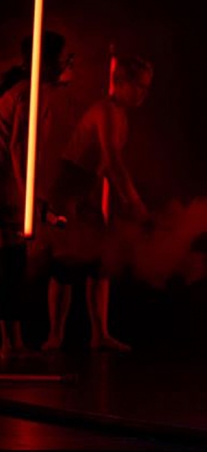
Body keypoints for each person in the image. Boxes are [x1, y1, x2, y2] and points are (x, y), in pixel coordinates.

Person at [41, 54, 153, 352]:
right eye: (138, 86)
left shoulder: (120, 115)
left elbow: (106, 167)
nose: (142, 93)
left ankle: (99, 334)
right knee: (65, 263)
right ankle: (55, 335)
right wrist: (134, 203)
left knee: (102, 261)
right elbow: (112, 161)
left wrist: (123, 201)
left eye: (146, 87)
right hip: (67, 191)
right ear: (120, 82)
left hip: (85, 191)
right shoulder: (105, 111)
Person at [0, 31, 75, 356]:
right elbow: (17, 148)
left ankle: (13, 341)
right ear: (45, 62)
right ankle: (7, 342)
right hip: (6, 189)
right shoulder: (25, 95)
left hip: (12, 190)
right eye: (61, 58)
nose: (66, 65)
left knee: (14, 261)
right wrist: (28, 199)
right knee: (9, 262)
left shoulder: (33, 92)